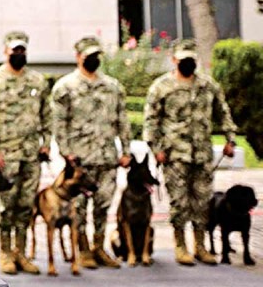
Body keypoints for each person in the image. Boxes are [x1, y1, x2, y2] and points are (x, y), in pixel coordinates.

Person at [143, 38, 237, 266]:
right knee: (179, 202)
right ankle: (180, 245)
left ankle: (201, 245)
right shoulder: (161, 87)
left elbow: (222, 112)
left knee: (202, 201)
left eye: (191, 60)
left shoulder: (208, 85)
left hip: (202, 155)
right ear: (174, 60)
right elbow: (151, 121)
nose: (188, 63)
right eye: (183, 59)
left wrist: (230, 139)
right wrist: (156, 149)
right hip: (175, 156)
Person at [51, 35, 131, 270]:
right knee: (80, 209)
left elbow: (122, 121)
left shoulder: (112, 87)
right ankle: (83, 249)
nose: (94, 60)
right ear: (78, 57)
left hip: (107, 158)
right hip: (80, 161)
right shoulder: (65, 87)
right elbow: (59, 124)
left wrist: (126, 150)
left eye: (97, 56)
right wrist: (66, 153)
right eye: (89, 56)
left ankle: (99, 247)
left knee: (103, 205)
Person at [0, 30, 50, 275]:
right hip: (7, 155)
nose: (18, 54)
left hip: (31, 154)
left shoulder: (37, 81)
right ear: (5, 51)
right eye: (14, 50)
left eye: (22, 50)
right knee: (7, 206)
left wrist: (46, 142)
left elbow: (46, 114)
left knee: (26, 205)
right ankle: (5, 253)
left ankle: (21, 253)